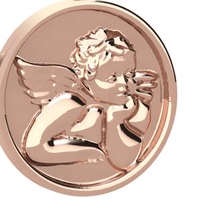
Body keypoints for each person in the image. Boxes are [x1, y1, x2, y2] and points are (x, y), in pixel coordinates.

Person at [15, 27, 157, 171]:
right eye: (112, 77)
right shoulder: (71, 103)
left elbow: (124, 162)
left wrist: (116, 120)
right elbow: (34, 148)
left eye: (129, 74)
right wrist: (88, 152)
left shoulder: (127, 107)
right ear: (87, 76)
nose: (124, 83)